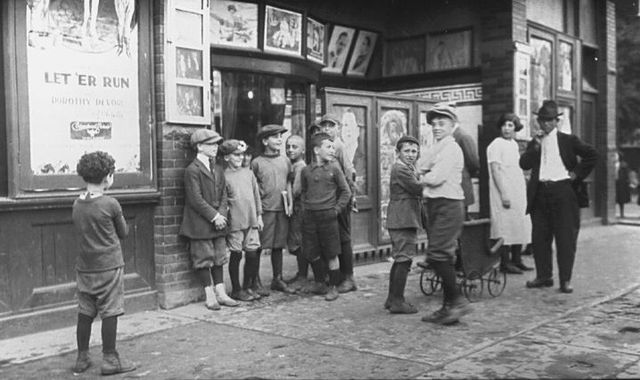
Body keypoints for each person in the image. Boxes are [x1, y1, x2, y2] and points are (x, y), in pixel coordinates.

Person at [520, 100, 598, 294]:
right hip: (540, 193)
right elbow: (524, 164)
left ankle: (565, 280)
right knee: (540, 238)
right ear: (538, 121)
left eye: (549, 120)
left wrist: (577, 173)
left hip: (563, 191)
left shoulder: (568, 140)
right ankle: (544, 276)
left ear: (556, 121)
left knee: (565, 238)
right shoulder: (535, 142)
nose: (545, 124)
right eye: (542, 120)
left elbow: (592, 154)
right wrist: (535, 146)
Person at [71, 151, 136, 375]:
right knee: (110, 311)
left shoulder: (76, 204)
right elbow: (124, 232)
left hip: (85, 267)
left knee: (85, 311)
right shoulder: (111, 203)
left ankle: (82, 358)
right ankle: (110, 359)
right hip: (109, 265)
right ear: (108, 177)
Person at [419, 104, 472, 325]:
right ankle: (448, 307)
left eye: (442, 123)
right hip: (437, 204)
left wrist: (421, 177)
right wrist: (422, 172)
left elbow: (436, 177)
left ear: (452, 125)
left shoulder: (451, 148)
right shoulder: (437, 146)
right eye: (434, 124)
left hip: (449, 204)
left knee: (438, 254)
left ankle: (457, 301)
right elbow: (421, 165)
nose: (437, 127)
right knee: (441, 255)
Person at [179, 129, 239, 310]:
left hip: (218, 221)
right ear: (199, 147)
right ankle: (209, 293)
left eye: (216, 144)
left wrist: (221, 215)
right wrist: (214, 216)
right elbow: (195, 199)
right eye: (211, 144)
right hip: (200, 223)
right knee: (204, 257)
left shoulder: (218, 168)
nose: (215, 148)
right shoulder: (192, 170)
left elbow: (223, 195)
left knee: (219, 256)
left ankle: (221, 292)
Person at [301, 132, 352, 301]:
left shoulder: (335, 169)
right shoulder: (306, 171)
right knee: (312, 253)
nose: (332, 150)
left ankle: (333, 287)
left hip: (328, 217)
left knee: (331, 253)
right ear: (317, 150)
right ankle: (320, 282)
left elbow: (346, 192)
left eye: (333, 147)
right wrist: (305, 210)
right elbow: (303, 192)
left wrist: (336, 210)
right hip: (310, 217)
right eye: (328, 147)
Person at [251, 124, 295, 295]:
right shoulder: (257, 163)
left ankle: (278, 278)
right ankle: (255, 280)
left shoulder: (285, 161)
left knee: (278, 245)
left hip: (282, 210)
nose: (279, 140)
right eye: (275, 137)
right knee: (258, 245)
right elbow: (253, 189)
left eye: (280, 137)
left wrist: (290, 202)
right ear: (264, 141)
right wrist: (258, 212)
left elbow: (289, 182)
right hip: (265, 210)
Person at [487, 113, 533, 274]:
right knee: (505, 225)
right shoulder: (496, 145)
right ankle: (505, 262)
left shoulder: (513, 144)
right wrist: (504, 194)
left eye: (510, 126)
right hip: (503, 190)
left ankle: (517, 259)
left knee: (518, 222)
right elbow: (495, 170)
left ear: (515, 128)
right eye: (504, 125)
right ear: (500, 127)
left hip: (517, 190)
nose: (507, 129)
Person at [318, 114, 358, 293]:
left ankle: (349, 277)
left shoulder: (339, 146)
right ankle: (339, 275)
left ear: (338, 128)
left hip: (341, 199)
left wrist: (351, 197)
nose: (327, 129)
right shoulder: (324, 147)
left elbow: (349, 172)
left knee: (344, 237)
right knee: (334, 237)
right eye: (324, 126)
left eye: (331, 126)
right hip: (329, 199)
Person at [384, 135, 423, 314]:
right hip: (403, 219)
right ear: (397, 152)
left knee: (401, 259)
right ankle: (398, 301)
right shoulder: (401, 169)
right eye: (406, 151)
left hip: (403, 218)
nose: (410, 154)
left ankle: (392, 298)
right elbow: (418, 188)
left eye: (414, 151)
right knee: (404, 259)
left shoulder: (407, 167)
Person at [220, 139, 263, 302]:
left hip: (251, 220)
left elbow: (256, 195)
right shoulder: (224, 176)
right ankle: (236, 289)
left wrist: (259, 215)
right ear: (226, 158)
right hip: (236, 222)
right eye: (235, 155)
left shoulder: (249, 173)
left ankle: (248, 286)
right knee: (236, 255)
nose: (240, 158)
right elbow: (223, 201)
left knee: (252, 254)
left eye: (241, 154)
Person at [283, 135, 309, 291]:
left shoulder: (300, 167)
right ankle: (301, 273)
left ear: (303, 150)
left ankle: (303, 276)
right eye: (288, 146)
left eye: (295, 147)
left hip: (299, 209)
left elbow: (296, 190)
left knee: (299, 241)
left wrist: (286, 185)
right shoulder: (292, 165)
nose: (290, 150)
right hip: (296, 208)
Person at [615, 151, 631, 218]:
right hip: (614, 183)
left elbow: (627, 175)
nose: (614, 157)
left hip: (621, 184)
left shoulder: (623, 165)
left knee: (621, 199)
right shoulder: (612, 164)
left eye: (616, 156)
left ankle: (622, 213)